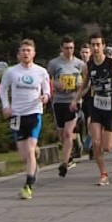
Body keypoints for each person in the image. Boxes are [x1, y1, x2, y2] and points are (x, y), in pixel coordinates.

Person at [0, 39, 51, 200]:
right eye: (23, 50)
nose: (26, 53)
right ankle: (35, 154)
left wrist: (46, 96)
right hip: (17, 115)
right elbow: (2, 88)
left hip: (34, 113)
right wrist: (5, 106)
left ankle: (28, 185)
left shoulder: (41, 71)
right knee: (24, 155)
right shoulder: (11, 72)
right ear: (19, 54)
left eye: (29, 50)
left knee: (29, 151)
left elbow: (47, 89)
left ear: (34, 53)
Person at [70, 33, 112, 186]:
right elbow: (85, 85)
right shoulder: (89, 65)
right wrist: (76, 99)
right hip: (96, 106)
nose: (95, 47)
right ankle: (103, 174)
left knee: (107, 146)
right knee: (96, 142)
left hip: (111, 107)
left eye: (98, 44)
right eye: (92, 44)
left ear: (103, 46)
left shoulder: (111, 63)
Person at [47, 36, 86, 178]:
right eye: (66, 48)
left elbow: (87, 82)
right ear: (61, 48)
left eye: (71, 48)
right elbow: (46, 80)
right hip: (58, 101)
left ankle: (64, 163)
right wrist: (56, 85)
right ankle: (68, 153)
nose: (69, 51)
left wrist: (79, 91)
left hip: (73, 101)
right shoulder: (54, 63)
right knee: (62, 133)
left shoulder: (80, 64)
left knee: (68, 133)